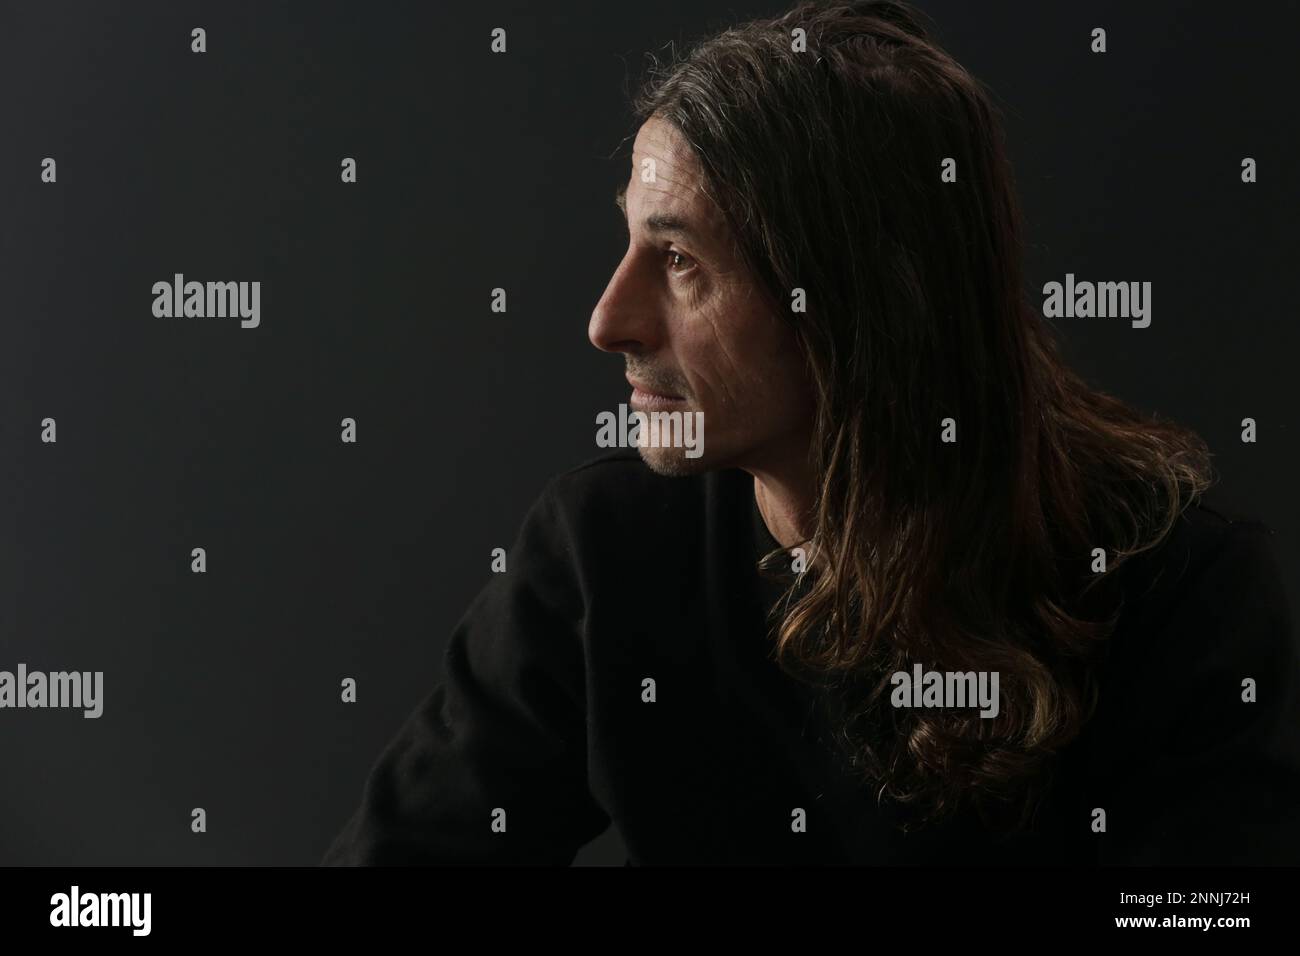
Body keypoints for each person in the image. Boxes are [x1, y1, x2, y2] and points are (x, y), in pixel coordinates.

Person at [321, 0, 1300, 865]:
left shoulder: (1170, 590)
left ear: (855, 301)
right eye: (629, 240)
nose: (608, 320)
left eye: (680, 260)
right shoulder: (602, 556)